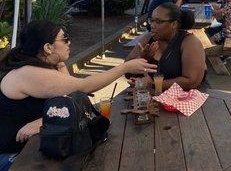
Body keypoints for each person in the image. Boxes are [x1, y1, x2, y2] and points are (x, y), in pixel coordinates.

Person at [0, 21, 157, 168]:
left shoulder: (45, 65)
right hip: (12, 156)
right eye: (65, 39)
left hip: (39, 145)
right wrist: (124, 68)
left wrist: (43, 121)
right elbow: (83, 87)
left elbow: (69, 97)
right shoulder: (29, 73)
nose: (69, 43)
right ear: (48, 47)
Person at [126, 3, 208, 91]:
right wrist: (143, 59)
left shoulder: (189, 42)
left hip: (187, 99)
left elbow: (191, 81)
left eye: (158, 22)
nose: (152, 25)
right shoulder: (148, 39)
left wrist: (154, 84)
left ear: (174, 24)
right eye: (151, 20)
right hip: (149, 97)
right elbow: (127, 72)